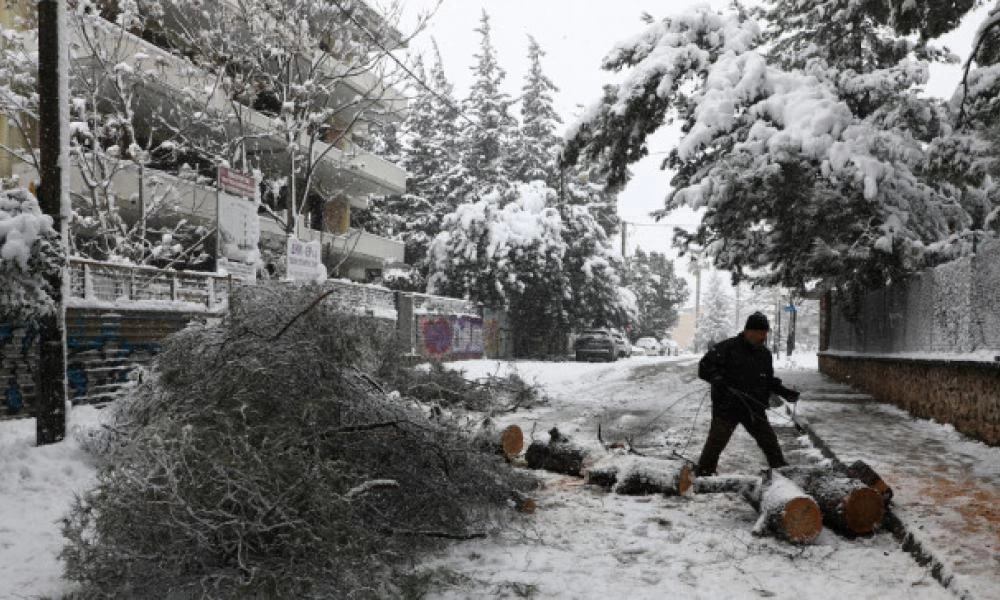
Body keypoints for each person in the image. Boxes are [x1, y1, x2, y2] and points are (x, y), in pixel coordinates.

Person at [694, 311, 800, 476]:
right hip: (727, 408)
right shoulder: (726, 348)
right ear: (748, 331)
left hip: (754, 409)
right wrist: (717, 378)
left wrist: (784, 392)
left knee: (770, 443)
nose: (763, 337)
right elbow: (704, 368)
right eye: (760, 333)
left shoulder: (764, 354)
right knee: (715, 444)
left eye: (765, 333)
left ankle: (782, 474)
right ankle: (703, 475)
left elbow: (768, 379)